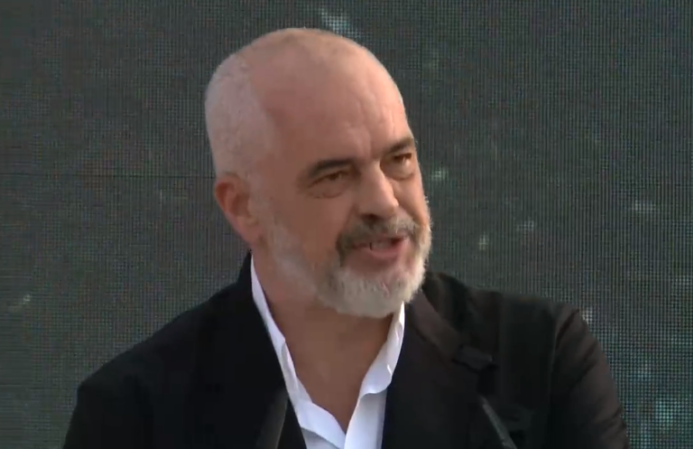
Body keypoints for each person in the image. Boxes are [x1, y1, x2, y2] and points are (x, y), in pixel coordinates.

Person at [62, 28, 629, 449]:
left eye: (399, 160)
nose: (384, 201)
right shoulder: (134, 415)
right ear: (243, 207)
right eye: (335, 176)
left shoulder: (540, 360)